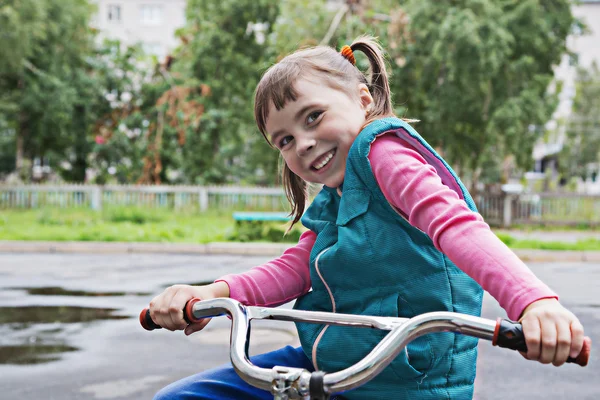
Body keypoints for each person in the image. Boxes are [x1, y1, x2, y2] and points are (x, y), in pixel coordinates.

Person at [149, 36, 585, 399]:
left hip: (407, 381)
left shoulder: (384, 155)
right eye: (284, 139)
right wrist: (212, 295)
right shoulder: (334, 196)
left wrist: (533, 302)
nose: (302, 143)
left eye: (314, 117)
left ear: (363, 100)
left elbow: (455, 225)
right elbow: (298, 266)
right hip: (333, 367)